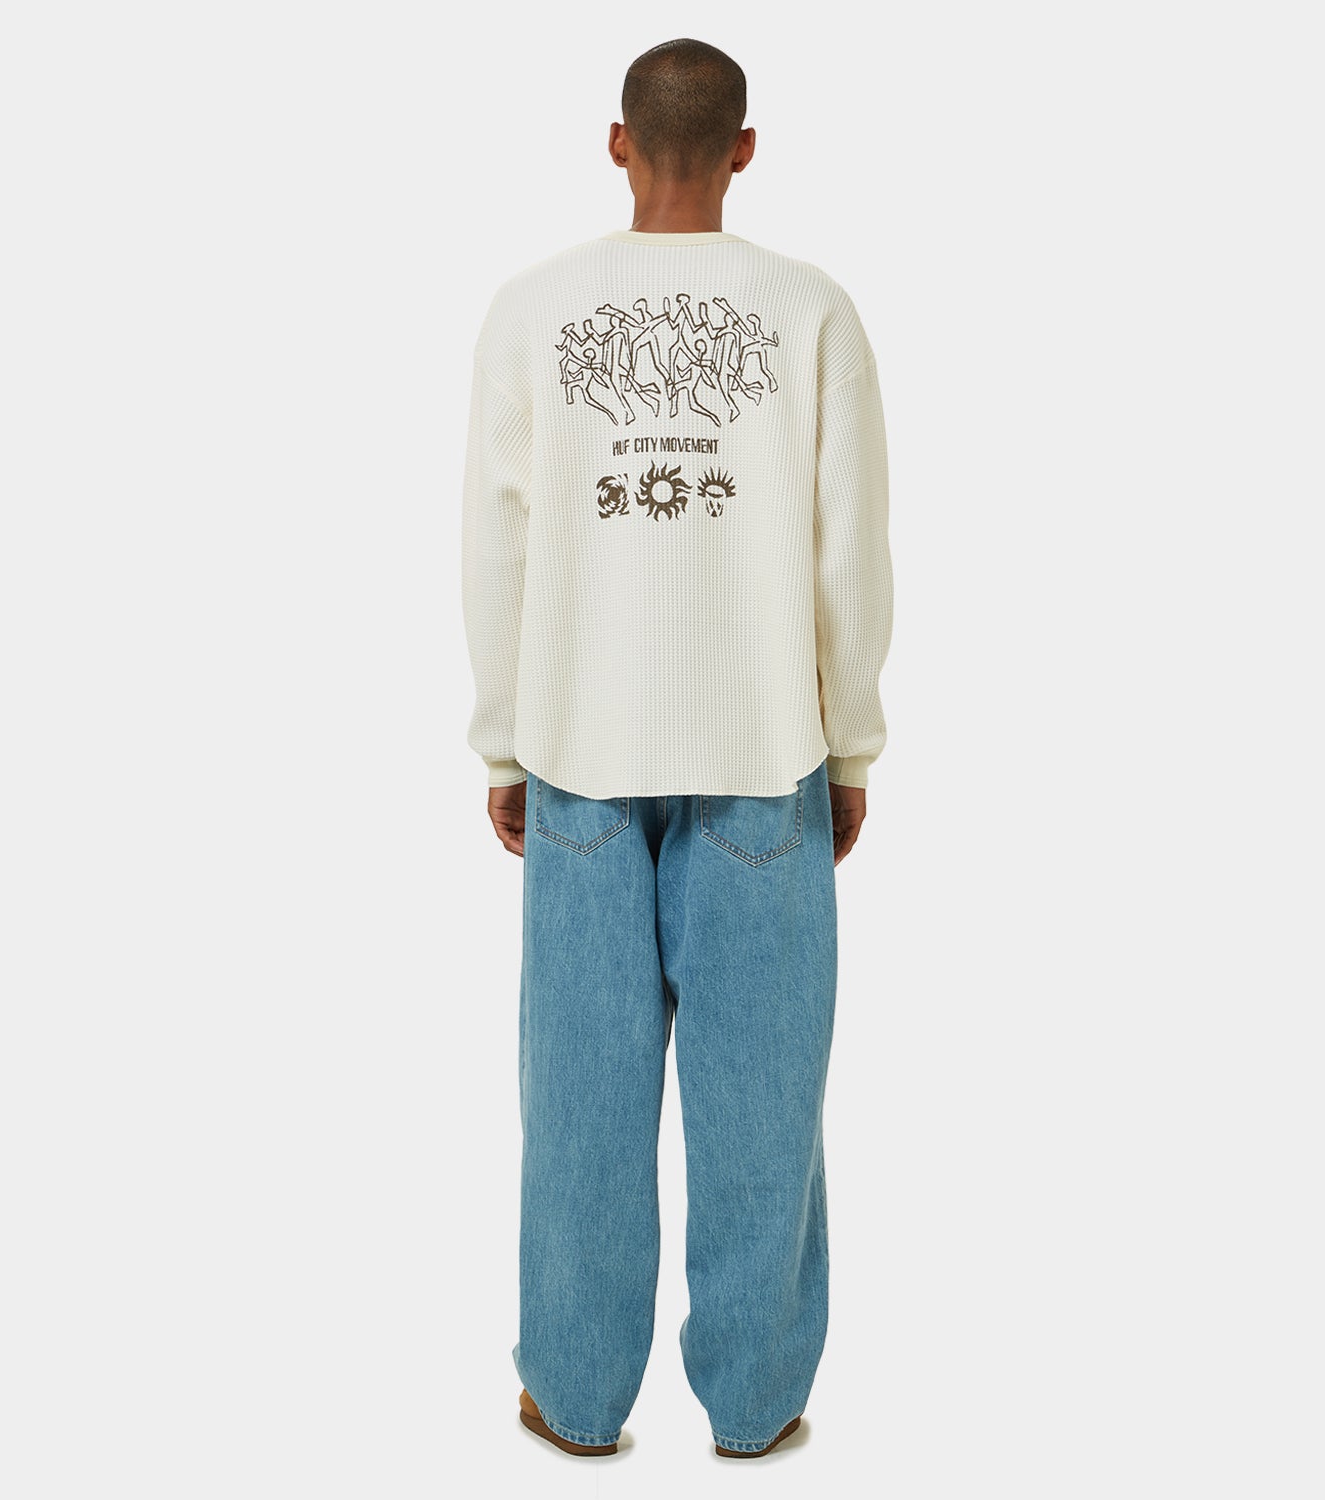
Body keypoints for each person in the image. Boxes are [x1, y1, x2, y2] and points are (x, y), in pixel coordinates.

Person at [460, 37, 893, 1461]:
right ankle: (758, 1405)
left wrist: (505, 743)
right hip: (761, 750)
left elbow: (499, 544)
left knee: (580, 1102)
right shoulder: (813, 313)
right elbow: (846, 555)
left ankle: (576, 1398)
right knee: (763, 1105)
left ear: (617, 144)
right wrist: (849, 746)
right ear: (744, 151)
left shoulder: (532, 311)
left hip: (583, 747)